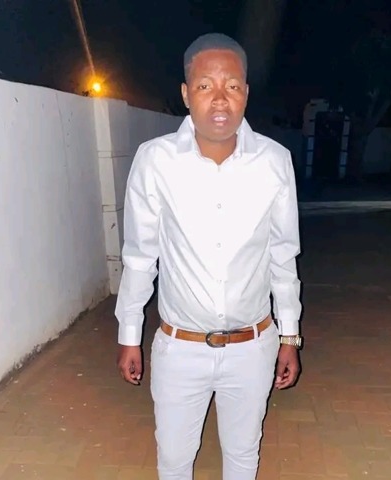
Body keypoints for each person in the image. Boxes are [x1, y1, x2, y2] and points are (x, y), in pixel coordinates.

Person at [114, 32, 303, 480]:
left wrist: (289, 336)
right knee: (174, 461)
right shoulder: (155, 161)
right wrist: (129, 334)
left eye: (232, 85)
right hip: (180, 349)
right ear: (186, 94)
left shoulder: (274, 162)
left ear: (246, 93)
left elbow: (282, 256)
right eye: (205, 85)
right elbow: (140, 256)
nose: (220, 98)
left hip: (253, 347)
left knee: (243, 455)